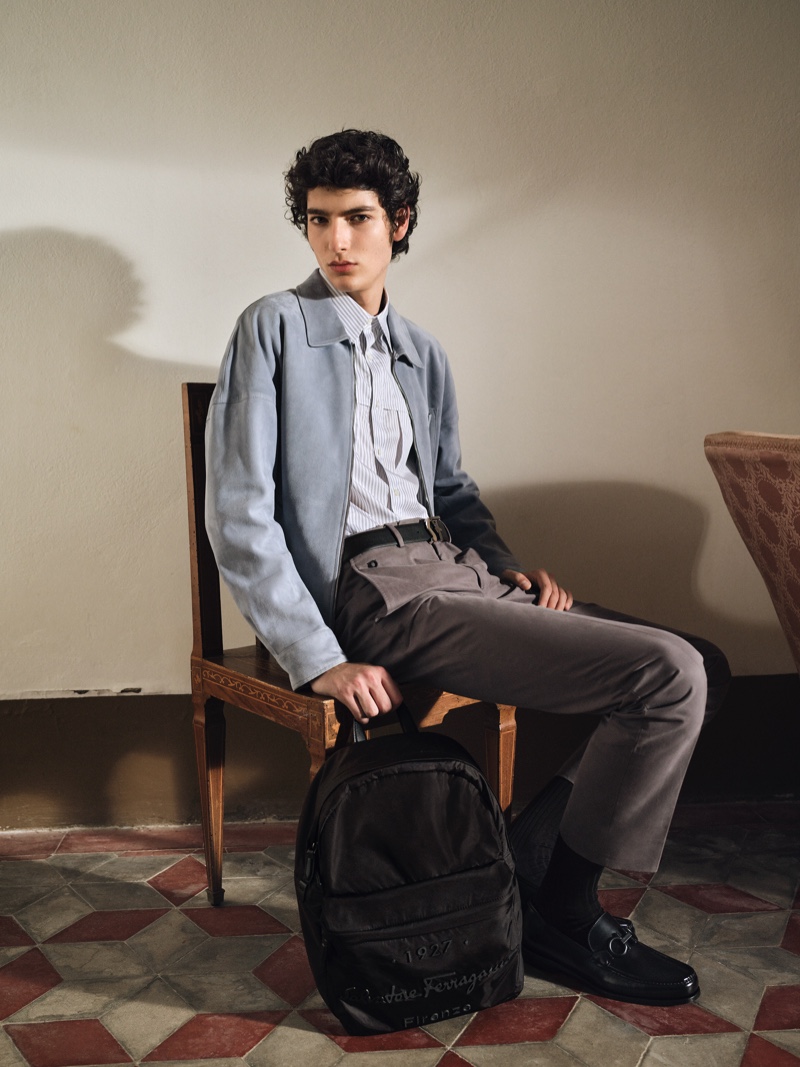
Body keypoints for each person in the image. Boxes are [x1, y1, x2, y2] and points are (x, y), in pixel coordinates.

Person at [205, 129, 730, 1006]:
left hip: (457, 575)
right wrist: (316, 653)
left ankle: (526, 868)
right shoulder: (275, 329)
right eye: (319, 220)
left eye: (359, 219)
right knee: (665, 672)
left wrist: (507, 568)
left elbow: (450, 489)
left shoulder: (422, 351)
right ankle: (564, 910)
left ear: (399, 222)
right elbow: (240, 515)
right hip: (376, 591)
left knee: (698, 661)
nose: (336, 240)